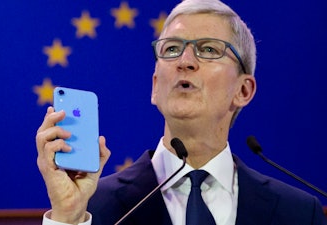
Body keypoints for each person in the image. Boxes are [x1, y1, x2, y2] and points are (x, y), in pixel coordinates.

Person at [36, 0, 327, 224]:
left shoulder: (299, 212)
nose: (185, 61)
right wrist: (68, 217)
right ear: (154, 87)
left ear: (243, 91)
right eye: (172, 49)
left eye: (209, 50)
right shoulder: (93, 207)